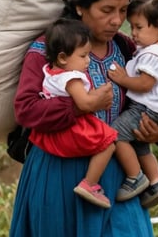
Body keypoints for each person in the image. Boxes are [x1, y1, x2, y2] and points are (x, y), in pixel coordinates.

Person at [8, 0, 158, 237]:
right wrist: (80, 107)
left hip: (120, 177)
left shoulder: (130, 51)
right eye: (106, 10)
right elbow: (26, 109)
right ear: (80, 7)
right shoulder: (49, 49)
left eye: (123, 11)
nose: (116, 20)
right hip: (58, 175)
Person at [107, 0, 158, 208]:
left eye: (138, 27)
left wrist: (122, 79)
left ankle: (135, 177)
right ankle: (157, 182)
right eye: (131, 26)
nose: (133, 33)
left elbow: (144, 84)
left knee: (115, 136)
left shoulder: (152, 54)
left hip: (146, 109)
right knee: (140, 146)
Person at [33, 18, 117, 209]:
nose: (88, 60)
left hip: (53, 130)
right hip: (73, 127)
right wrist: (101, 95)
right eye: (83, 56)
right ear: (63, 58)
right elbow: (84, 103)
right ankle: (90, 183)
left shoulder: (50, 71)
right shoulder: (72, 77)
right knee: (109, 143)